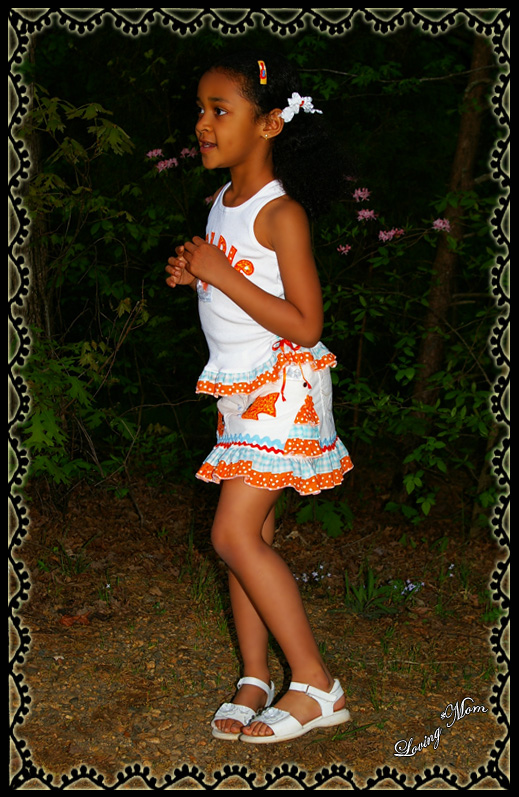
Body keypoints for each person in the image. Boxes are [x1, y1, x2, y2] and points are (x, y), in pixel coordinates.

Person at [165, 50, 353, 744]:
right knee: (251, 538)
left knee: (232, 533)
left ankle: (315, 684)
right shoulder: (221, 203)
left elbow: (305, 323)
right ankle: (254, 676)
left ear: (270, 123)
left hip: (284, 385)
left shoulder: (282, 214)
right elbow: (235, 288)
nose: (203, 123)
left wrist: (222, 274)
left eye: (220, 110)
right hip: (239, 388)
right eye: (201, 109)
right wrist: (197, 275)